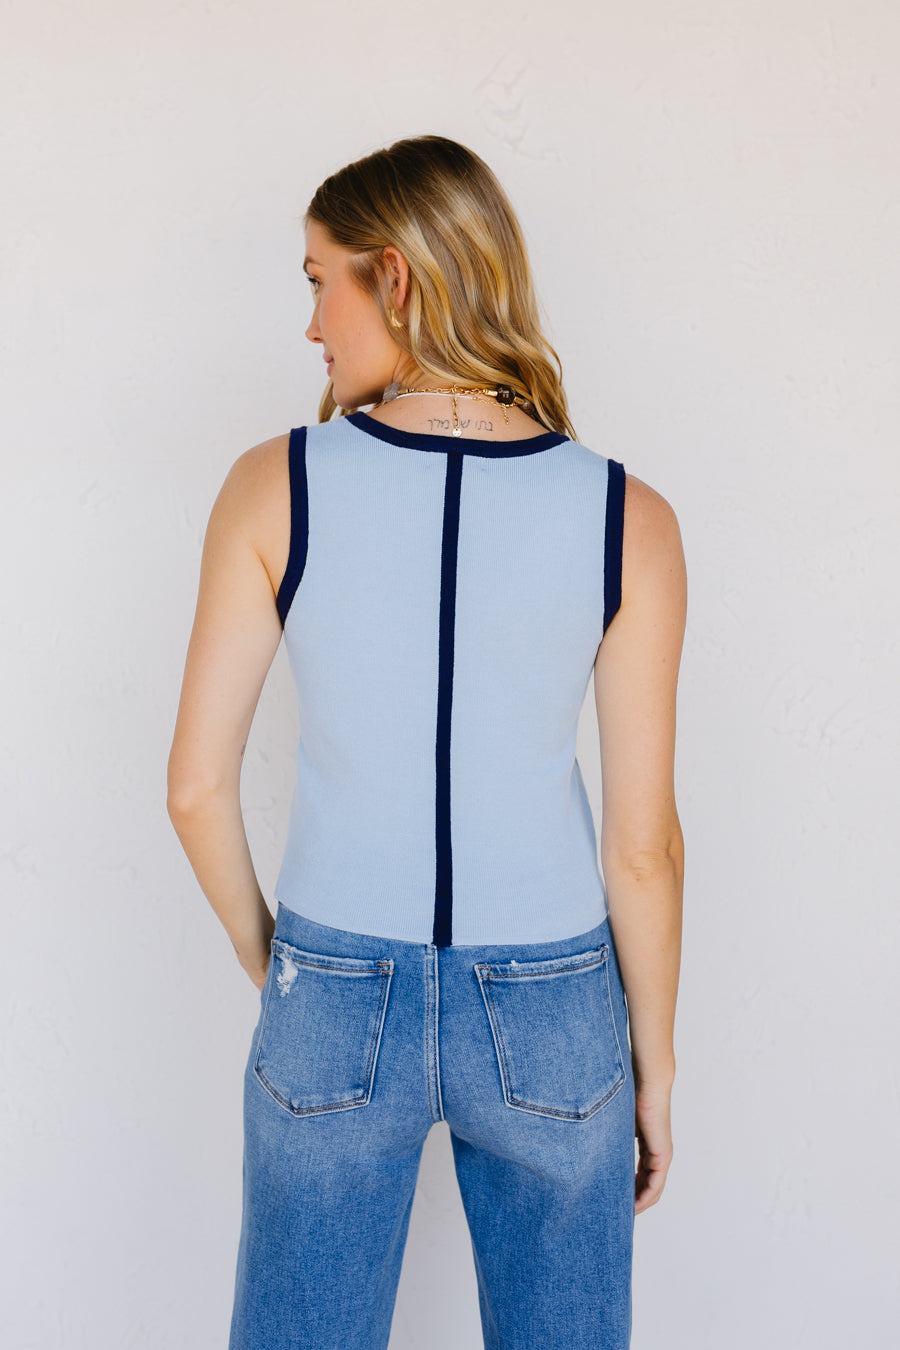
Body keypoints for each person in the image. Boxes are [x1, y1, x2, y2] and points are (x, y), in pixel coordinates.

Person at [167, 134, 686, 1350]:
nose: (310, 326)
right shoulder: (629, 517)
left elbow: (195, 788)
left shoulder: (274, 486)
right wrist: (653, 1068)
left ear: (393, 277)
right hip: (555, 1000)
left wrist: (280, 968)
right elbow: (644, 848)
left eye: (320, 282)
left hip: (333, 976)